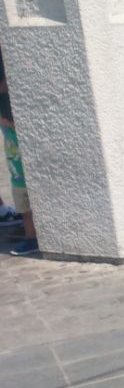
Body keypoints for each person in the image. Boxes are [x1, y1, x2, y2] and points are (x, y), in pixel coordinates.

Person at [0, 44, 38, 255]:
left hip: (14, 118)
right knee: (19, 180)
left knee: (23, 179)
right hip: (9, 123)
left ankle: (33, 235)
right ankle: (31, 234)